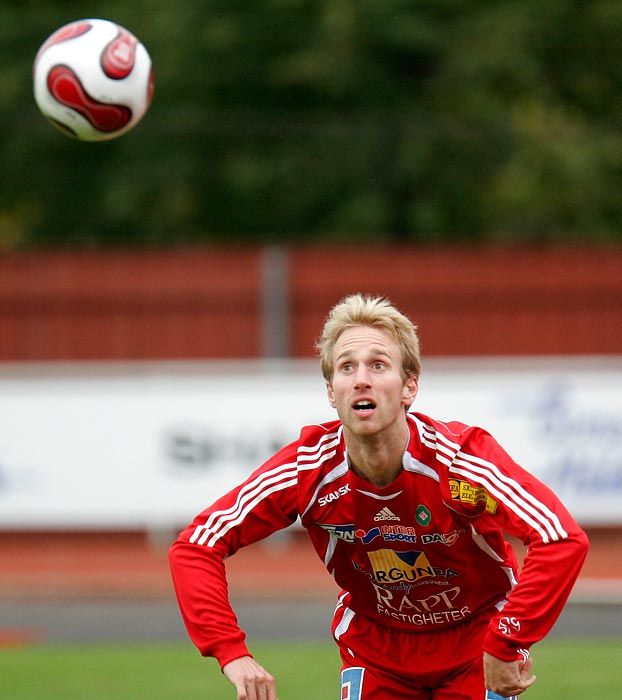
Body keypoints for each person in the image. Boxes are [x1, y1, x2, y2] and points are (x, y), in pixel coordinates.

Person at [169, 293, 589, 700]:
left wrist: (505, 640)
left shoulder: (461, 459)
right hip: (374, 650)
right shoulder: (306, 469)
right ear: (332, 393)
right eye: (346, 367)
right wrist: (231, 652)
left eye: (378, 365)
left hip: (477, 640)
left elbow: (561, 539)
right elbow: (196, 546)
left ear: (409, 388)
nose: (361, 379)